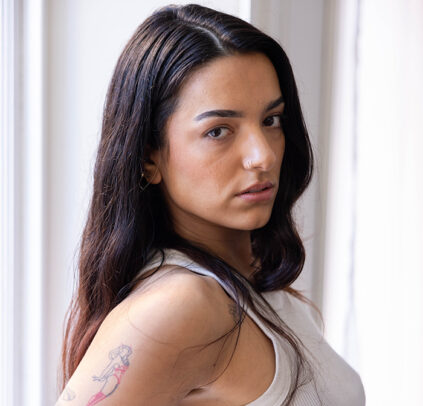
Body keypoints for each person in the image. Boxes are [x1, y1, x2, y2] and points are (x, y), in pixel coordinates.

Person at [56, 3, 365, 406]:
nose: (263, 156)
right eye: (219, 131)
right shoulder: (180, 305)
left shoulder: (251, 285)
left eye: (271, 120)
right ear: (149, 158)